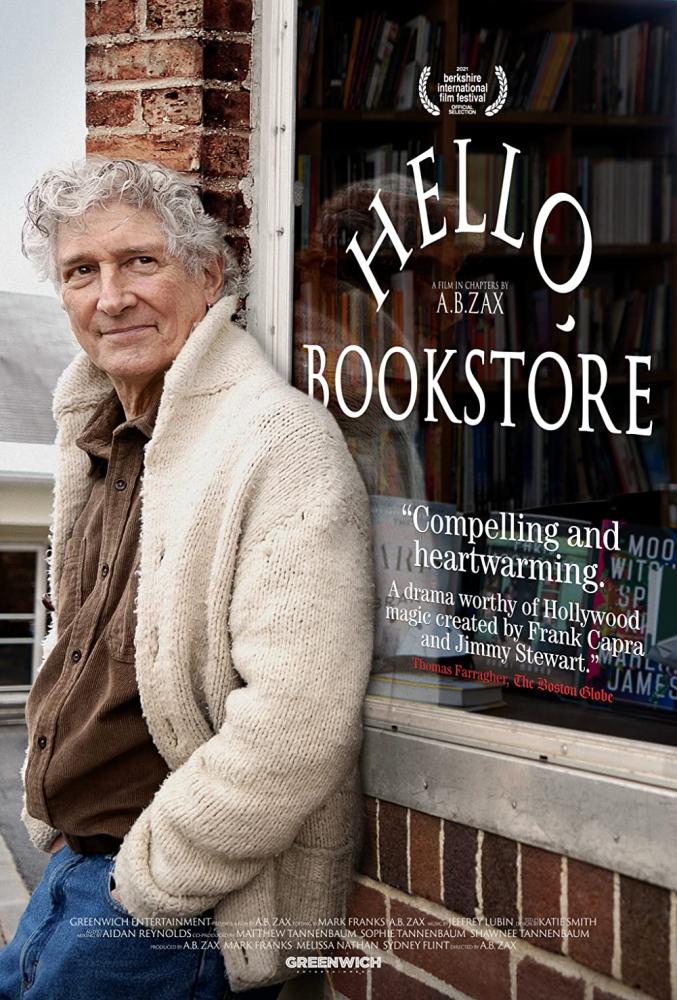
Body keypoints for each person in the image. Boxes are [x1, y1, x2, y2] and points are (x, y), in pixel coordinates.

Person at [0, 158, 374, 999]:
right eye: (81, 272)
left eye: (141, 261)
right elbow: (78, 640)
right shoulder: (98, 431)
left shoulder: (278, 443)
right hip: (68, 875)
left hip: (168, 914)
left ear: (207, 276)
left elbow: (298, 721)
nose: (111, 296)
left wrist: (149, 885)